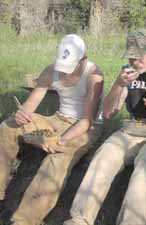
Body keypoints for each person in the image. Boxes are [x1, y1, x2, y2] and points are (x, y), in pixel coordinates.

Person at [63, 28, 146, 225]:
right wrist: (119, 84)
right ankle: (79, 219)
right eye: (131, 57)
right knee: (104, 155)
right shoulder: (128, 73)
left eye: (139, 58)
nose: (134, 62)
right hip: (132, 130)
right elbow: (107, 113)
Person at [0, 34, 104, 225]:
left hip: (83, 127)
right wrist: (21, 114)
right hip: (56, 119)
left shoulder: (94, 74)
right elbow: (30, 105)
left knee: (58, 157)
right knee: (7, 126)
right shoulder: (50, 71)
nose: (64, 72)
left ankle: (24, 220)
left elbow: (87, 121)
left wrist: (61, 140)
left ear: (83, 58)